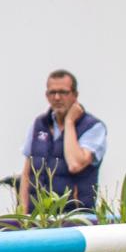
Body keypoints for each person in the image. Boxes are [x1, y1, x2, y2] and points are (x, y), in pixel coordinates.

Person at [20, 69, 106, 211]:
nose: (57, 97)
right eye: (52, 92)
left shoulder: (93, 127)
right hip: (39, 216)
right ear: (46, 95)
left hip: (76, 216)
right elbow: (26, 174)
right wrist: (23, 212)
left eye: (63, 92)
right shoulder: (39, 124)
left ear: (75, 95)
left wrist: (69, 122)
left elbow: (75, 164)